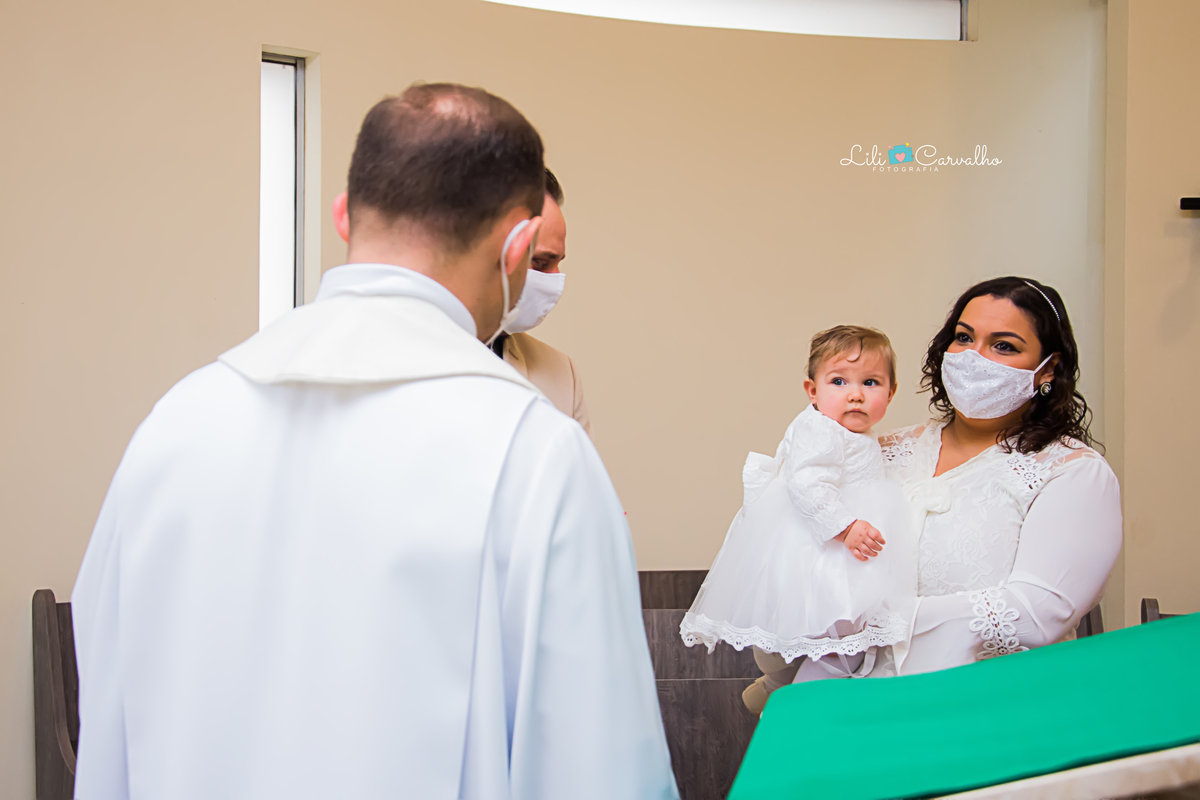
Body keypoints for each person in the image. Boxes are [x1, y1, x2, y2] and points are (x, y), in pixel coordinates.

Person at [70, 82, 678, 800]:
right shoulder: (534, 454)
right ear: (517, 244)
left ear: (342, 216)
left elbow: (106, 728)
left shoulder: (174, 423)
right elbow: (598, 769)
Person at [795, 276, 1122, 681]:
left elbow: (1039, 613)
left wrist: (882, 620)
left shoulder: (1073, 474)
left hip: (992, 706)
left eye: (1003, 345)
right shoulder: (881, 451)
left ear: (1047, 370)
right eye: (964, 338)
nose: (974, 357)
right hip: (852, 698)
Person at [680, 326, 915, 713]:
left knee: (846, 630)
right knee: (836, 629)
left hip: (847, 538)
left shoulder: (855, 430)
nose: (855, 394)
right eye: (839, 381)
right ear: (813, 391)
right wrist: (846, 527)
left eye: (871, 383)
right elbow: (805, 483)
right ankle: (797, 706)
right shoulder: (818, 428)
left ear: (890, 393)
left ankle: (778, 690)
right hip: (822, 541)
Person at [490, 168, 591, 437]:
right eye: (540, 263)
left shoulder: (561, 374)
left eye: (558, 263)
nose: (555, 280)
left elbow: (577, 478)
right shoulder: (393, 351)